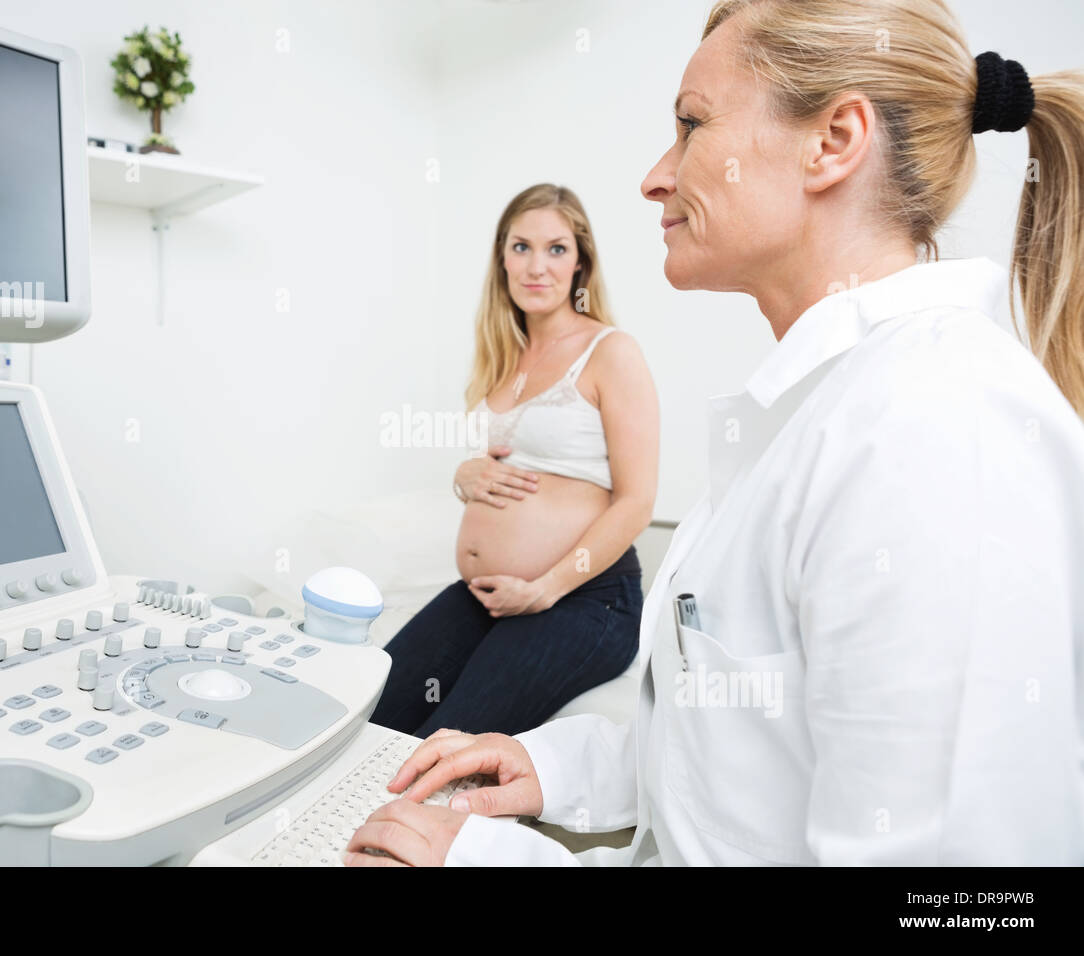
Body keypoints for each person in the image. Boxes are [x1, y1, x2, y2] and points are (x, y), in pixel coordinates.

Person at [345, 0, 1084, 866]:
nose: (655, 177)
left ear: (833, 141)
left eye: (691, 125)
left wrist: (490, 861)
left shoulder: (935, 429)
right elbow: (746, 750)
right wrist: (555, 765)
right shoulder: (806, 416)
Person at [368, 184, 659, 738]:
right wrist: (463, 476)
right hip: (487, 593)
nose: (536, 266)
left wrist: (547, 586)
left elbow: (637, 500)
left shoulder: (611, 352)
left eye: (556, 249)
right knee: (373, 712)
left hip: (584, 599)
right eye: (521, 247)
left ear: (580, 263)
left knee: (445, 744)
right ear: (502, 258)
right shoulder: (503, 358)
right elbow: (505, 463)